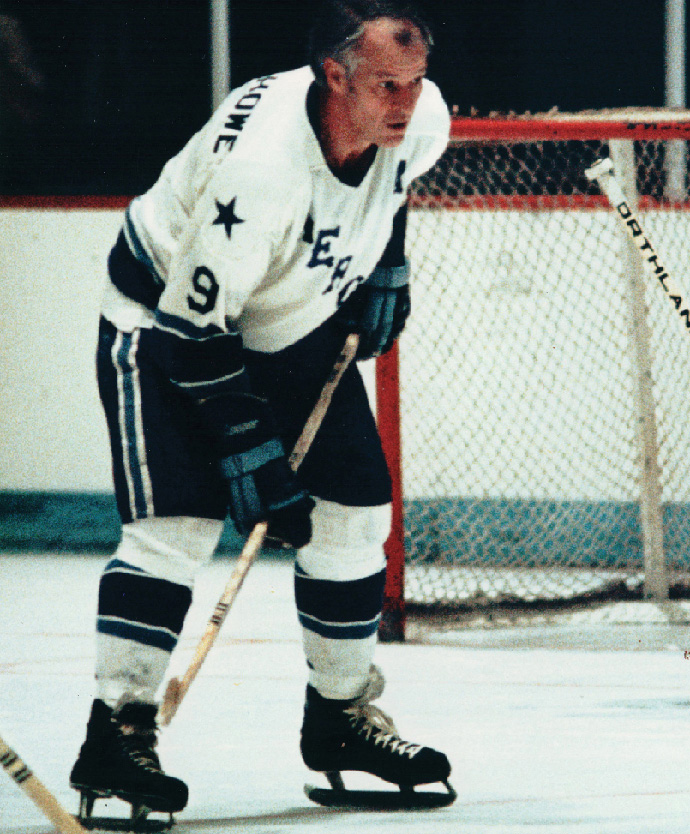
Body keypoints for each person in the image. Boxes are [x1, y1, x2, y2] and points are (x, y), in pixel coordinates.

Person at [69, 1, 453, 823]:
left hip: (292, 318)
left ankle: (341, 719)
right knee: (175, 531)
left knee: (354, 517)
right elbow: (189, 331)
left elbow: (393, 183)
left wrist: (388, 262)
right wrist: (248, 449)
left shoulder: (419, 120)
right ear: (335, 77)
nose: (408, 103)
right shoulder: (261, 168)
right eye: (388, 85)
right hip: (166, 325)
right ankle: (118, 732)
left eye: (417, 82)